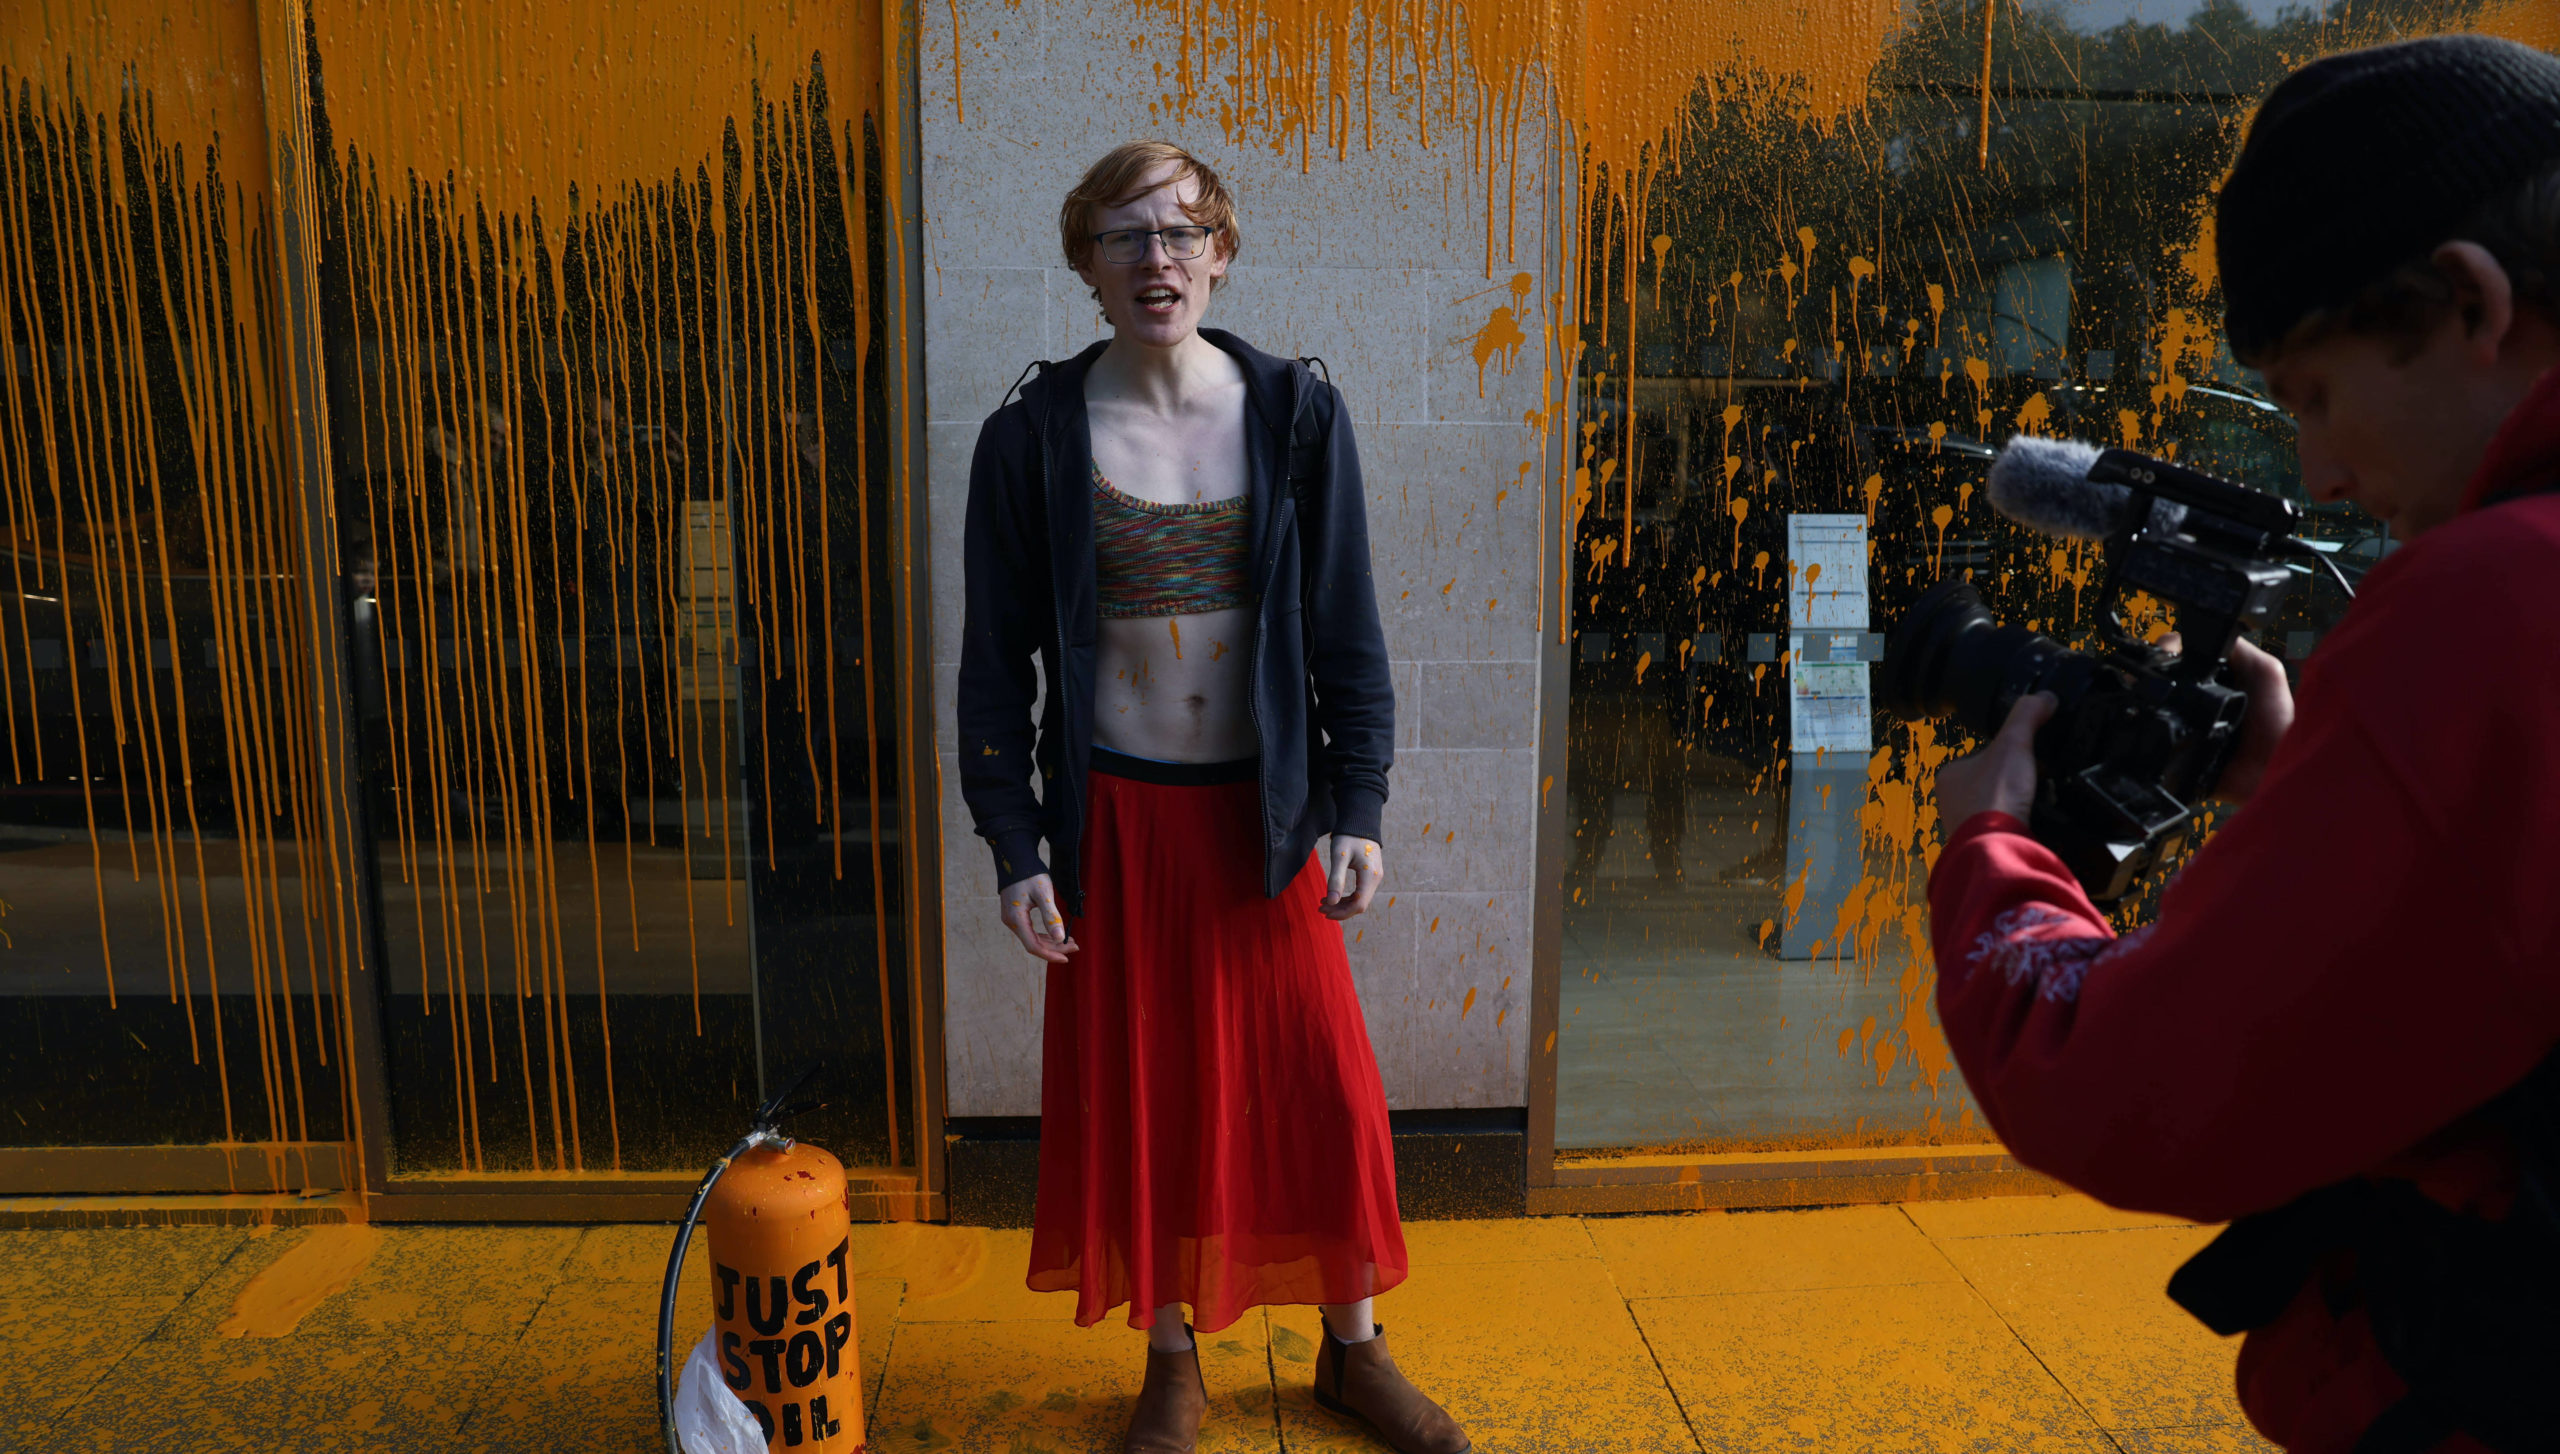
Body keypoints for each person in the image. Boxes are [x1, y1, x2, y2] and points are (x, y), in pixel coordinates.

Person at [1925, 36, 2560, 1454]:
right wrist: (2311, 793)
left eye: (2315, 397)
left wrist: (1994, 855)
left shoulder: (2496, 599)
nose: (2323, 473)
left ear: (2472, 300)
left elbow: (2136, 1088)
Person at [955, 140, 1471, 1454]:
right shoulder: (1033, 437)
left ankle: (1352, 1351)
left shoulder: (1296, 414)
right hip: (1117, 824)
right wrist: (1016, 843)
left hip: (1269, 816)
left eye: (1181, 234)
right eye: (1125, 237)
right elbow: (991, 664)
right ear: (1088, 265)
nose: (1156, 259)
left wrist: (1360, 800)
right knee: (1151, 1092)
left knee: (1320, 1083)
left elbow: (1348, 628)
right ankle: (1171, 1358)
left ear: (1222, 254)